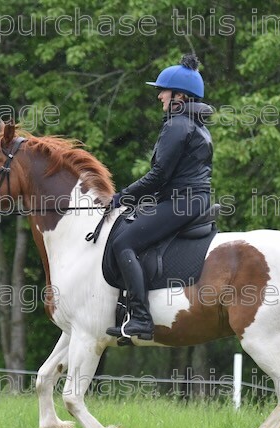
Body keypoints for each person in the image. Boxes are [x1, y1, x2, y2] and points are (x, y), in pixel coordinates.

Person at [106, 53, 214, 341]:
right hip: (191, 199)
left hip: (181, 202)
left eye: (162, 91)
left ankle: (140, 317)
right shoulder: (197, 125)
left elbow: (159, 175)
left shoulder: (177, 125)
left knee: (123, 241)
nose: (159, 97)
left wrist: (123, 196)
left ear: (179, 95)